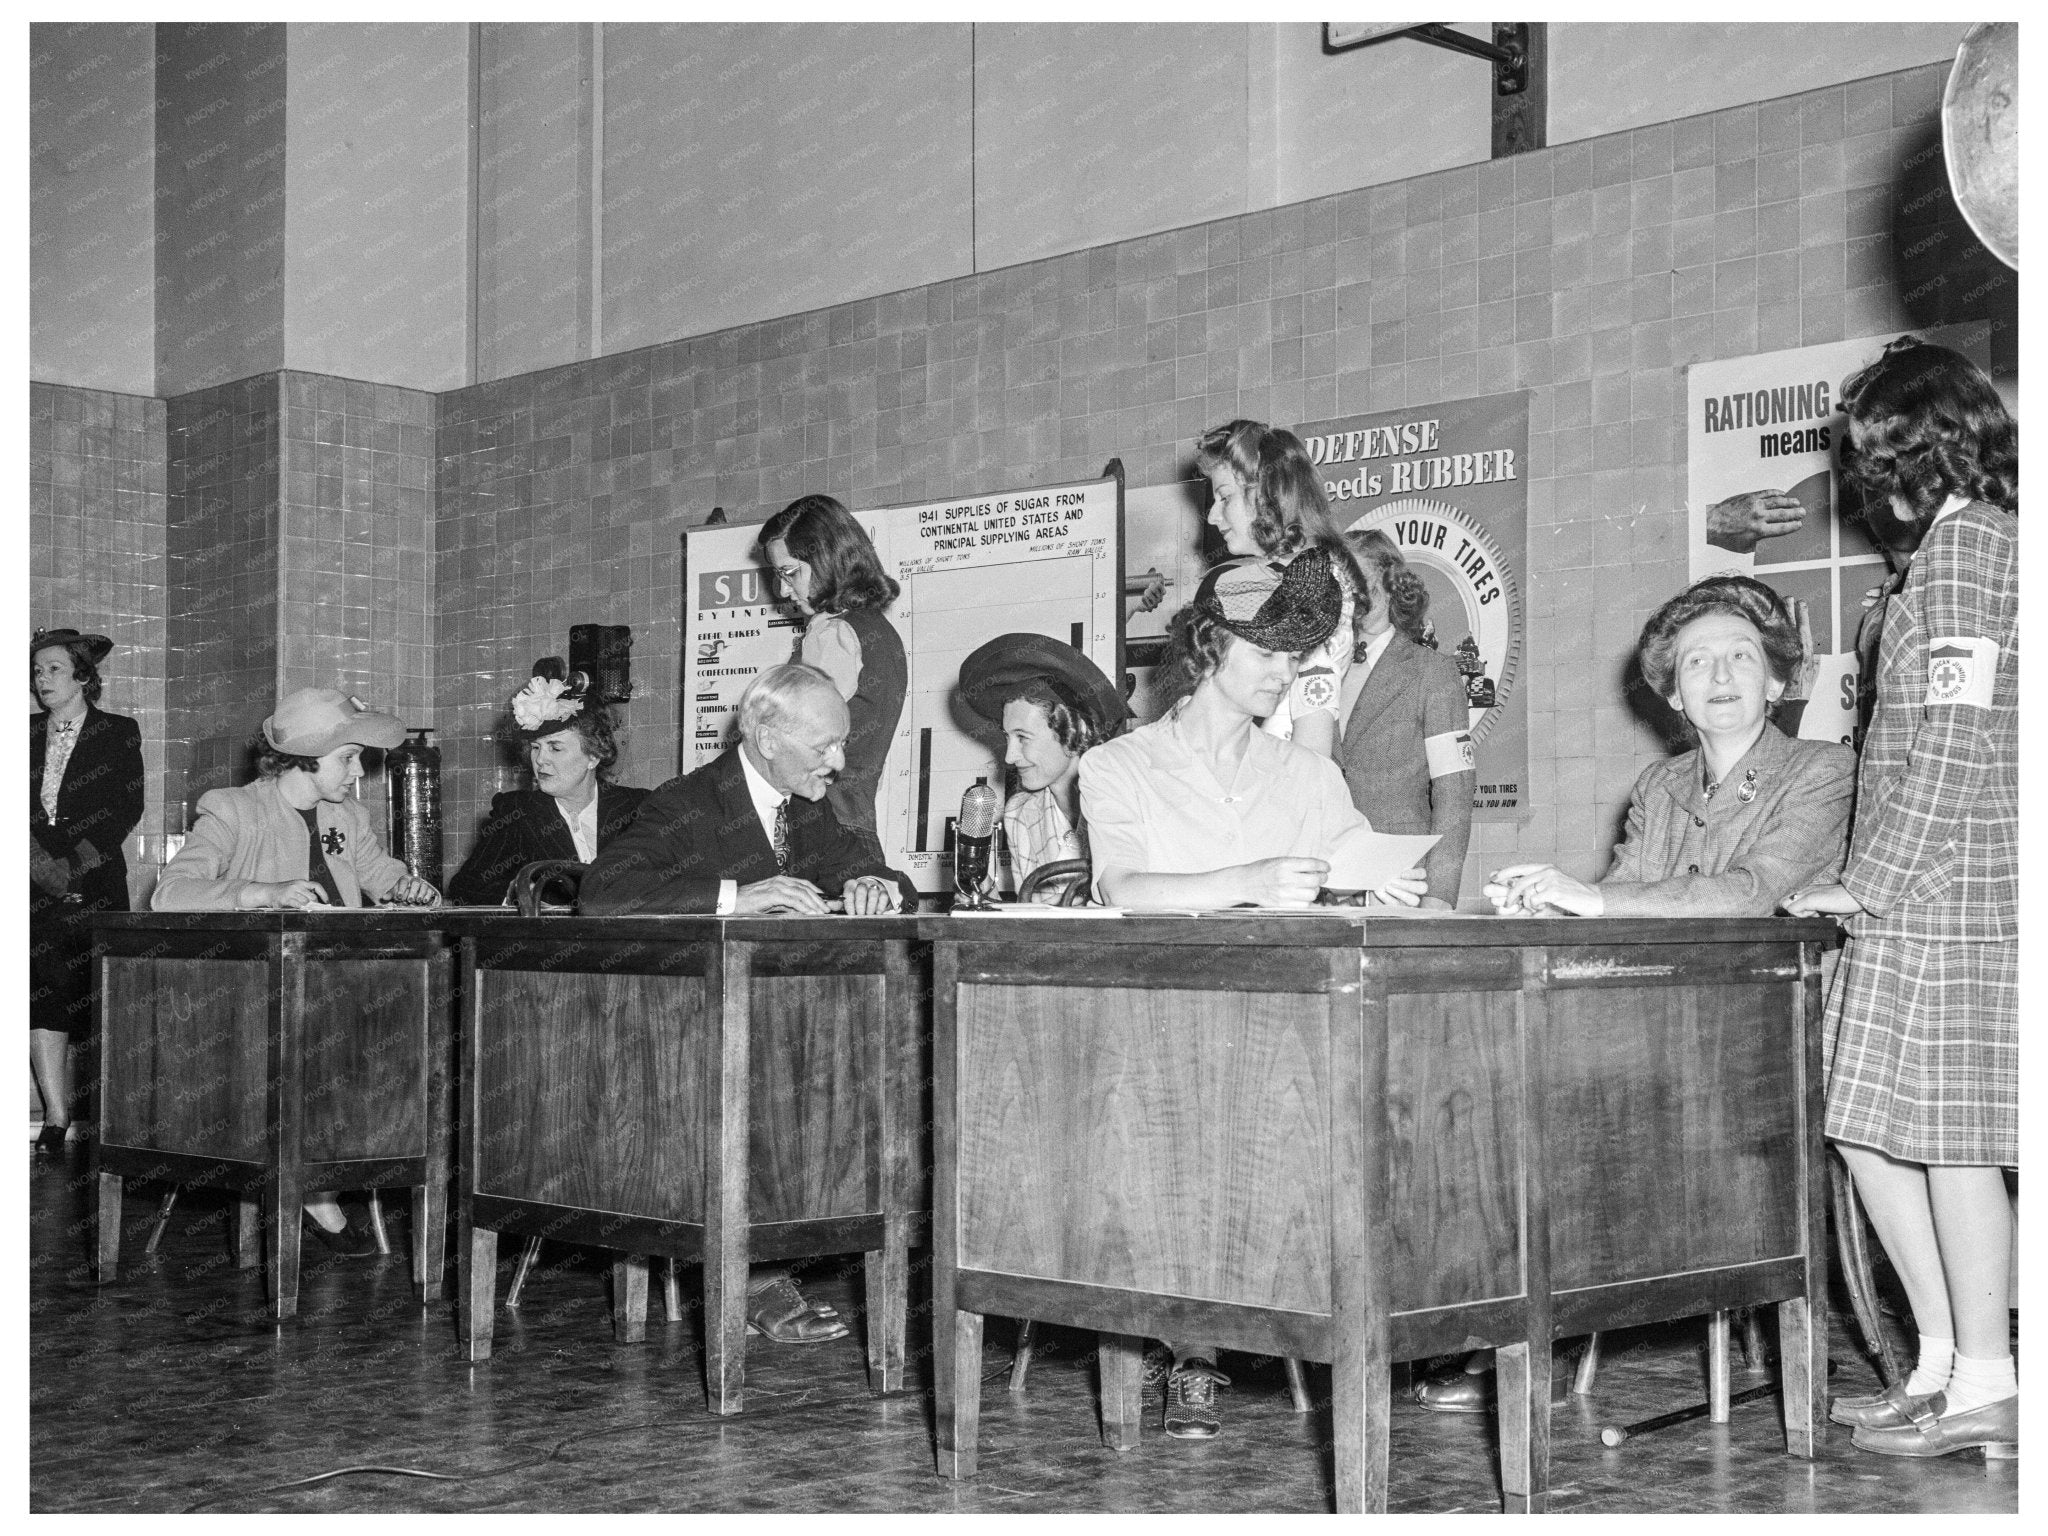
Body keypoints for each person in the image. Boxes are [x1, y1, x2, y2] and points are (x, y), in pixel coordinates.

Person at [1411, 575, 1855, 1414]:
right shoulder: (1661, 786)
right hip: (1662, 1027)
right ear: (1673, 689)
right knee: (1510, 1094)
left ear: (1776, 679)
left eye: (1740, 658)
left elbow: (1750, 891)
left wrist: (1594, 898)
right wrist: (1547, 902)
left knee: (1579, 1108)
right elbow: (1621, 898)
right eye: (1697, 663)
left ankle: (1549, 1319)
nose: (1720, 677)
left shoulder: (1825, 771)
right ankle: (1524, 1318)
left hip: (1771, 1036)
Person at [1079, 551, 1425, 1438]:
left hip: (1288, 1036)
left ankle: (1374, 1332)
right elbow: (1122, 884)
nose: (1286, 672)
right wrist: (1255, 877)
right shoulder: (1119, 766)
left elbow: (1355, 857)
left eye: (1297, 655)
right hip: (1161, 1029)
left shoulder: (1307, 777)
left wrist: (1381, 885)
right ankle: (1192, 1353)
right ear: (1206, 647)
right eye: (1265, 651)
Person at [1784, 338, 2018, 1461]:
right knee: (1865, 1127)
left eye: (1880, 454)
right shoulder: (1933, 558)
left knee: (1950, 1137)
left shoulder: (1972, 546)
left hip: (1952, 886)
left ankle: (1984, 1378)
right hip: (1907, 887)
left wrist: (1867, 884)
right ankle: (1935, 1362)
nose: (1870, 479)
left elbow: (1956, 749)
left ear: (1933, 444)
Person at [577, 663, 915, 1344]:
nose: (840, 761)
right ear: (764, 735)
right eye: (824, 746)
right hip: (682, 1035)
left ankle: (798, 1245)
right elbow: (603, 890)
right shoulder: (688, 801)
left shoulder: (806, 811)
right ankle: (757, 1272)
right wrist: (738, 895)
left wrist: (875, 884)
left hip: (772, 1023)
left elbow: (869, 864)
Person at [153, 686, 440, 1255]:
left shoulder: (347, 816)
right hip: (253, 1003)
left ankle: (367, 1162)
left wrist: (410, 887)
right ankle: (315, 1189)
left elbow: (382, 875)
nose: (358, 771)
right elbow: (170, 893)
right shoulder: (231, 808)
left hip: (343, 986)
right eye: (347, 758)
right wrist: (261, 892)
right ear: (306, 758)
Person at [30, 628, 146, 1153]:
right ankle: (56, 1117)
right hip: (32, 887)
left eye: (53, 668)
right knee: (43, 999)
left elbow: (125, 808)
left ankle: (106, 1118)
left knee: (102, 996)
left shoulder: (118, 731)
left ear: (83, 676)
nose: (41, 678)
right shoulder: (21, 734)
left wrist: (70, 868)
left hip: (95, 882)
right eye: (37, 670)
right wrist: (36, 866)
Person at [1194, 419, 1369, 758]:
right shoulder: (1281, 578)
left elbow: (1311, 746)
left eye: (1224, 497)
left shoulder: (1317, 586)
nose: (1213, 516)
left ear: (1265, 496)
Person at [1335, 528, 1475, 908]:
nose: (1348, 595)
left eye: (1357, 581)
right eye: (1339, 583)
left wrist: (1439, 897)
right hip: (1325, 882)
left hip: (1401, 883)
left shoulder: (1433, 672)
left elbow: (1454, 795)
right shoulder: (1321, 669)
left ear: (1390, 582)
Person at [760, 495, 907, 849]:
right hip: (854, 829)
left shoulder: (831, 632)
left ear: (827, 559)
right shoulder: (879, 631)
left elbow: (787, 744)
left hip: (815, 832)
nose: (782, 590)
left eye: (790, 573)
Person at [446, 672, 649, 906]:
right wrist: (518, 893)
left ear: (593, 755)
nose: (540, 760)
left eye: (555, 748)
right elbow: (465, 887)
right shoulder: (517, 812)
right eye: (535, 747)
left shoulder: (637, 807)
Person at [955, 633, 1127, 902]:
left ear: (1075, 730)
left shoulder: (1127, 802)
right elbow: (1034, 923)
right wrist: (987, 899)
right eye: (1007, 738)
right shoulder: (1019, 814)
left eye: (1023, 737)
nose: (1010, 757)